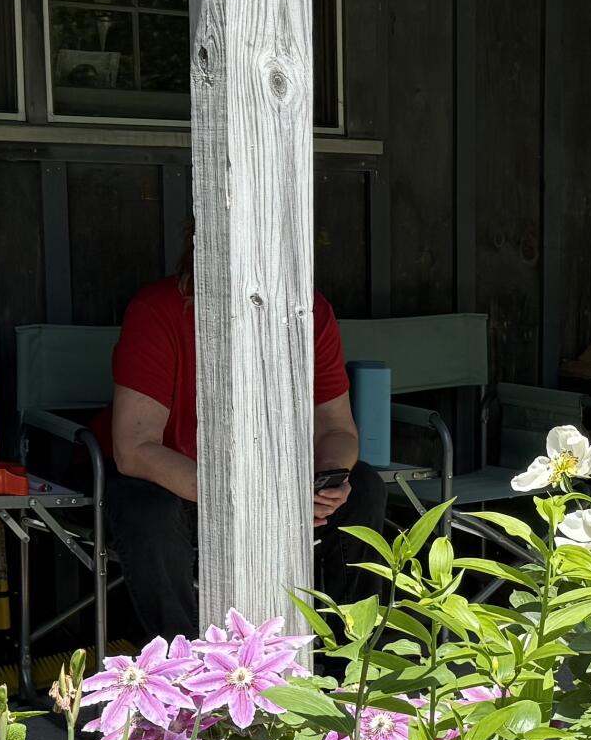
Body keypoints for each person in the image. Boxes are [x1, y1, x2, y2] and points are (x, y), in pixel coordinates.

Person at [99, 256, 384, 642]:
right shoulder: (158, 309)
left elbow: (336, 426)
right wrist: (247, 497)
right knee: (148, 509)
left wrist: (327, 481)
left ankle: (350, 654)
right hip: (174, 484)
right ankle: (183, 668)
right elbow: (134, 449)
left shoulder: (309, 310)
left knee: (363, 485)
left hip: (271, 486)